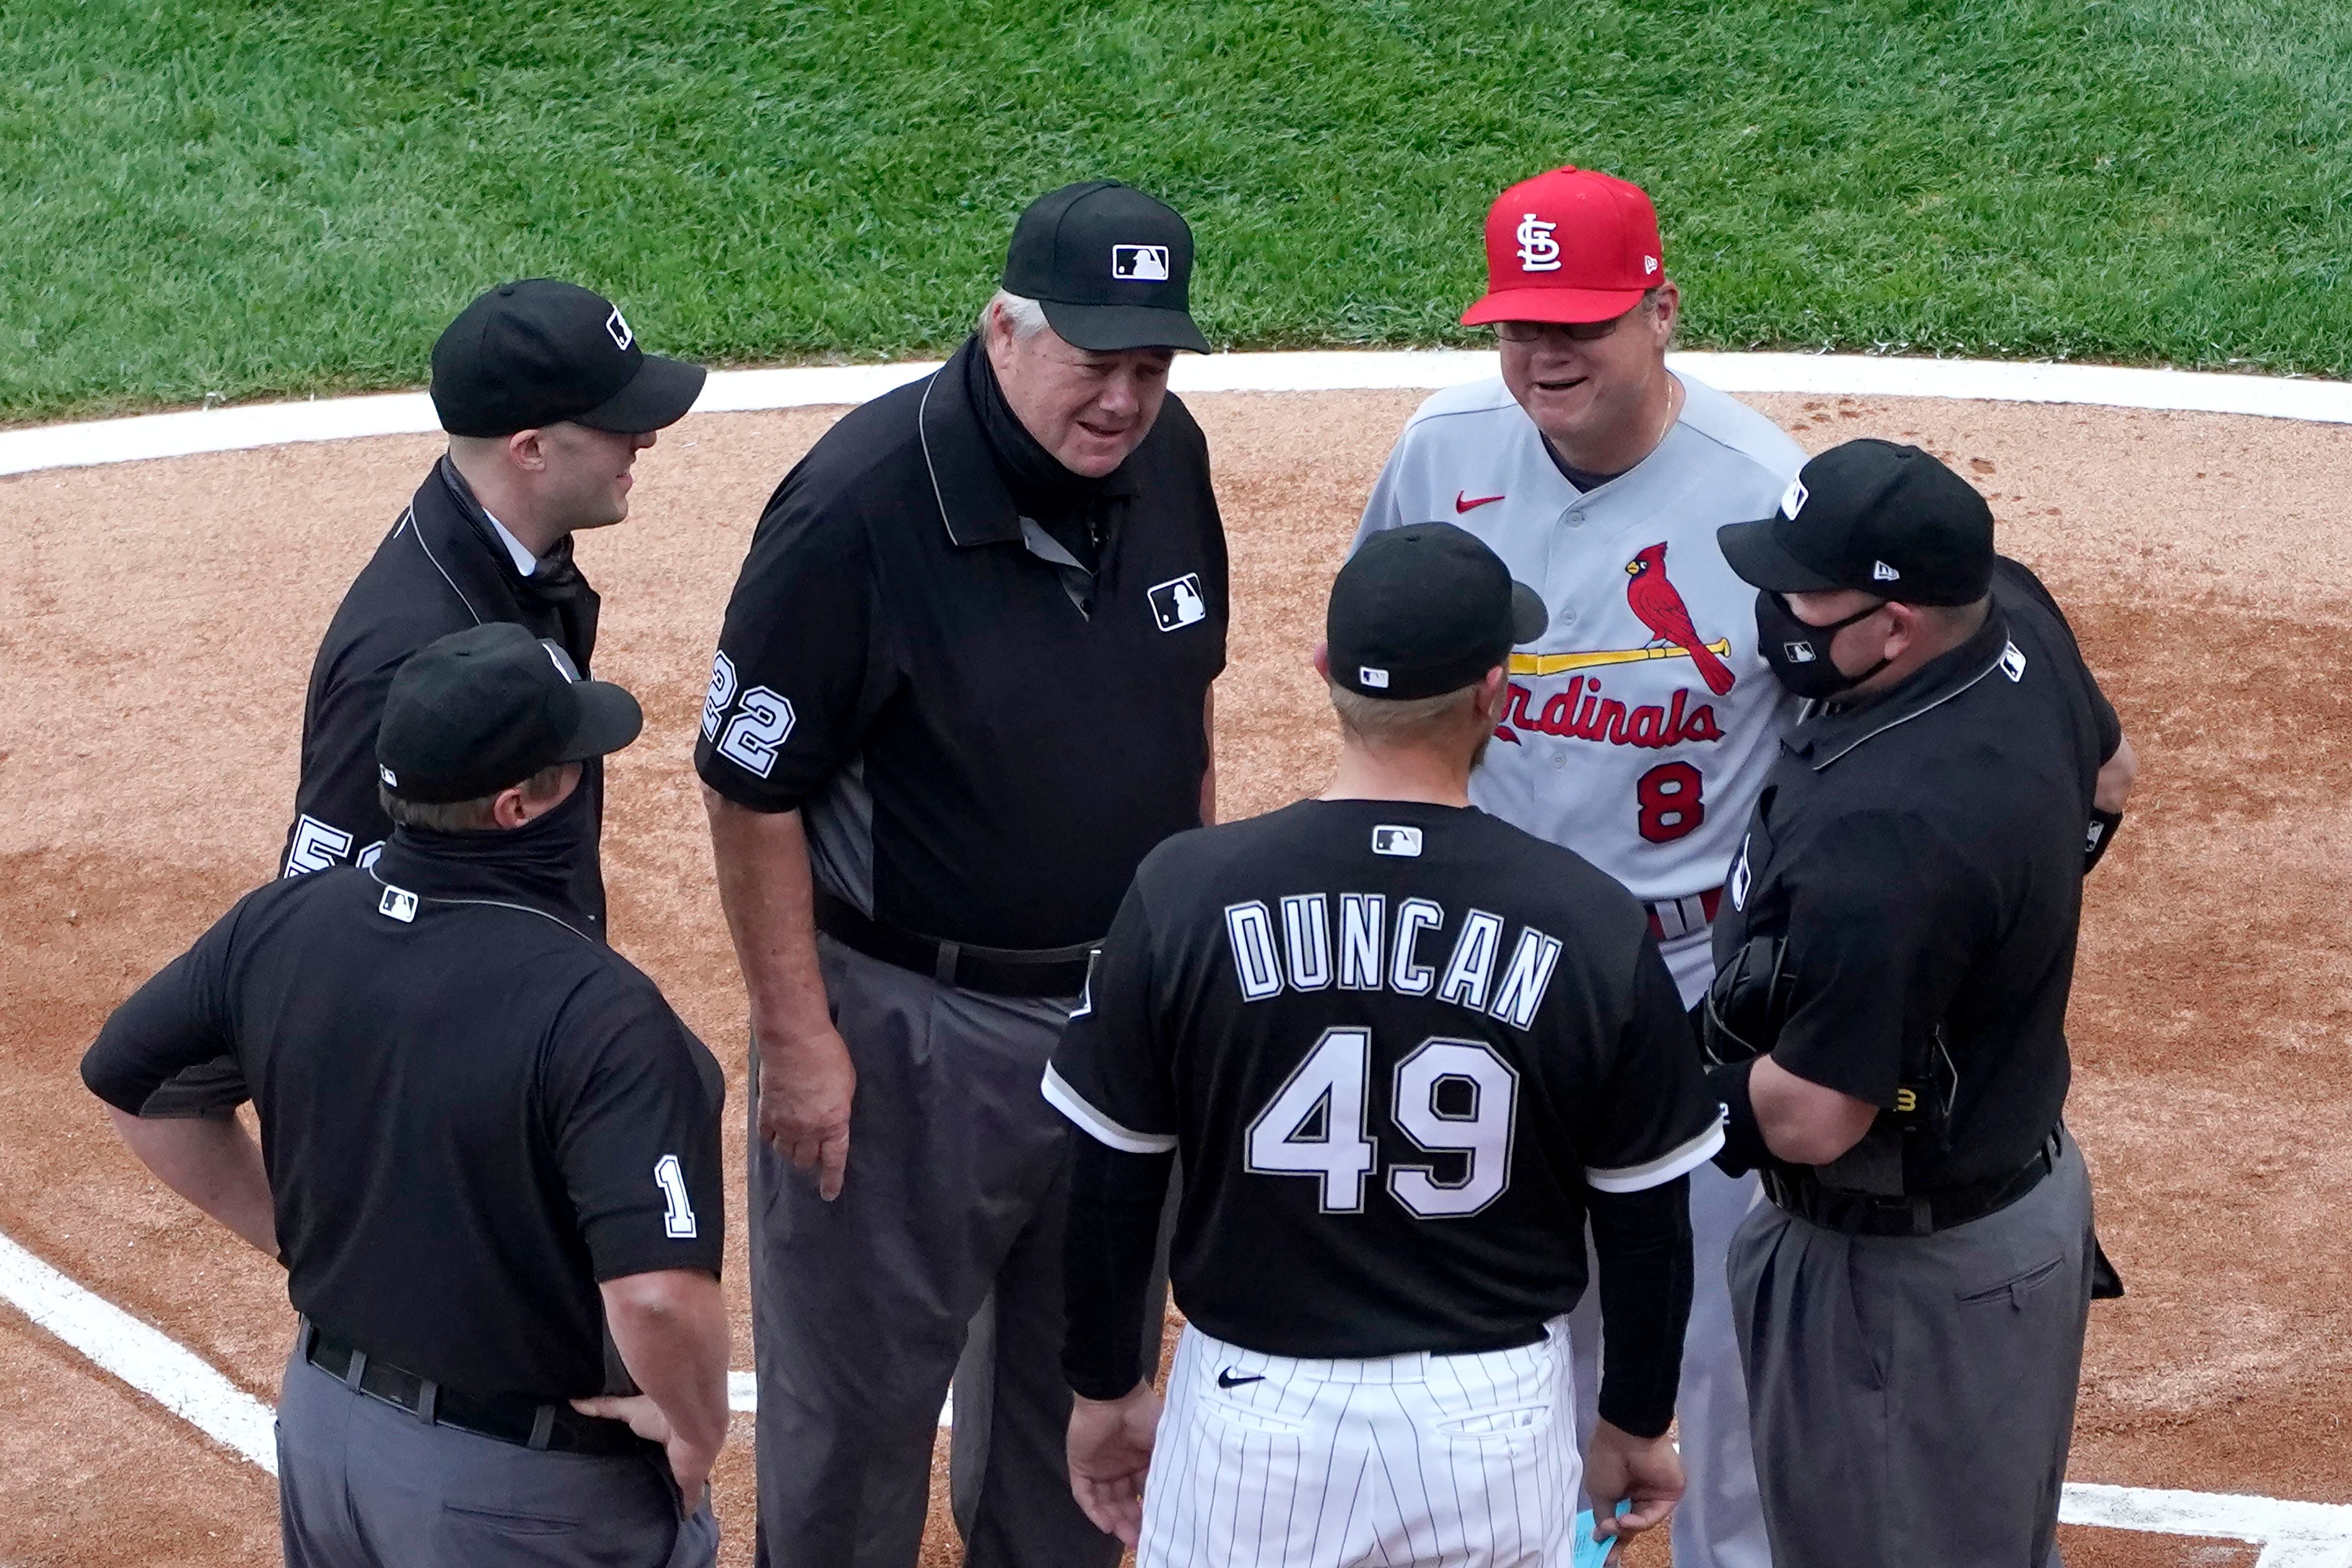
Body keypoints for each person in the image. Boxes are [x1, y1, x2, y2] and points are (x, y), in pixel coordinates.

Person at [695, 180, 1223, 1568]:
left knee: (1084, 1403)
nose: (1123, 401)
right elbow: (752, 786)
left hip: (1118, 1032)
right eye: (1094, 363)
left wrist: (1183, 967)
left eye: (1151, 368)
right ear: (1002, 330)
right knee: (855, 1425)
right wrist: (802, 1043)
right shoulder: (856, 509)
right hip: (908, 1037)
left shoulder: (1173, 463)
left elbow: (1189, 724)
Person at [1048, 523, 1724, 1566]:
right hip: (1489, 1417)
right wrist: (1635, 1419)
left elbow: (1112, 1181)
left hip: (1252, 1413)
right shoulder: (1589, 920)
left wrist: (1102, 1384)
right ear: (1494, 692)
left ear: (1325, 674)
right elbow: (1645, 1222)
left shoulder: (1183, 892)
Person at [1353, 164, 1801, 1568]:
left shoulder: (1765, 496)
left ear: (1663, 309)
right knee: (1505, 1339)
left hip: (1690, 976)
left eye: (1585, 322)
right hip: (1495, 974)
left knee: (1717, 1358)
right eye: (1519, 324)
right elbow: (1385, 694)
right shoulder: (1444, 451)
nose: (1546, 353)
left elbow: (1831, 752)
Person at [79, 621, 729, 1567]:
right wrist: (695, 1426)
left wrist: (302, 1235)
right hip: (520, 1497)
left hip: (327, 1439)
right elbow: (660, 1298)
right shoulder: (602, 1013)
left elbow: (135, 1086)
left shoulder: (281, 924)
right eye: (576, 760)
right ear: (518, 806)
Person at [1703, 438, 2137, 1567]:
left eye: (1804, 592)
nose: (1777, 608)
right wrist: (1983, 937)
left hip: (1897, 1291)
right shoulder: (2008, 611)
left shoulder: (1890, 842)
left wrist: (1654, 1091)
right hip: (2005, 1208)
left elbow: (1812, 1115)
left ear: (1893, 626)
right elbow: (2110, 773)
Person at [135, 278, 705, 1123]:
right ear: (531, 450)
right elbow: (314, 916)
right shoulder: (408, 648)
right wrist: (327, 1243)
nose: (648, 437)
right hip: (465, 1077)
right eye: (617, 420)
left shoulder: (507, 557)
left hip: (523, 1016)